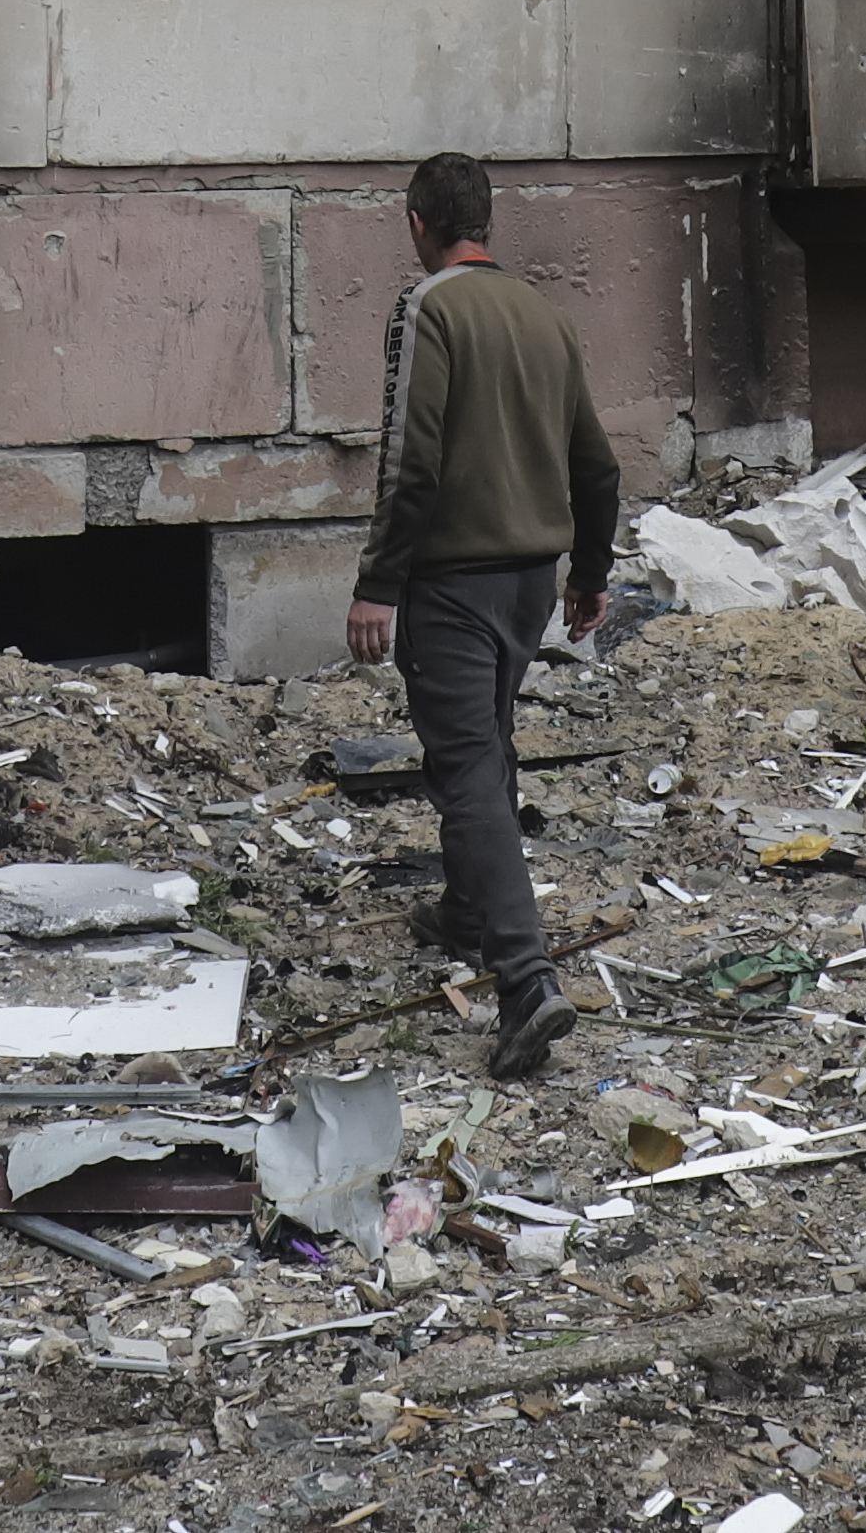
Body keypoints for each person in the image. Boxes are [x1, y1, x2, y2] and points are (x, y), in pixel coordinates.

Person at [347, 149, 619, 1079]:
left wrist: (377, 581)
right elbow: (598, 464)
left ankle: (525, 982)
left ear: (417, 224)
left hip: (453, 581)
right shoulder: (546, 316)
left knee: (464, 765)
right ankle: (466, 912)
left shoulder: (427, 309)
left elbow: (407, 459)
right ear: (485, 222)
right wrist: (591, 572)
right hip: (531, 580)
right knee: (485, 744)